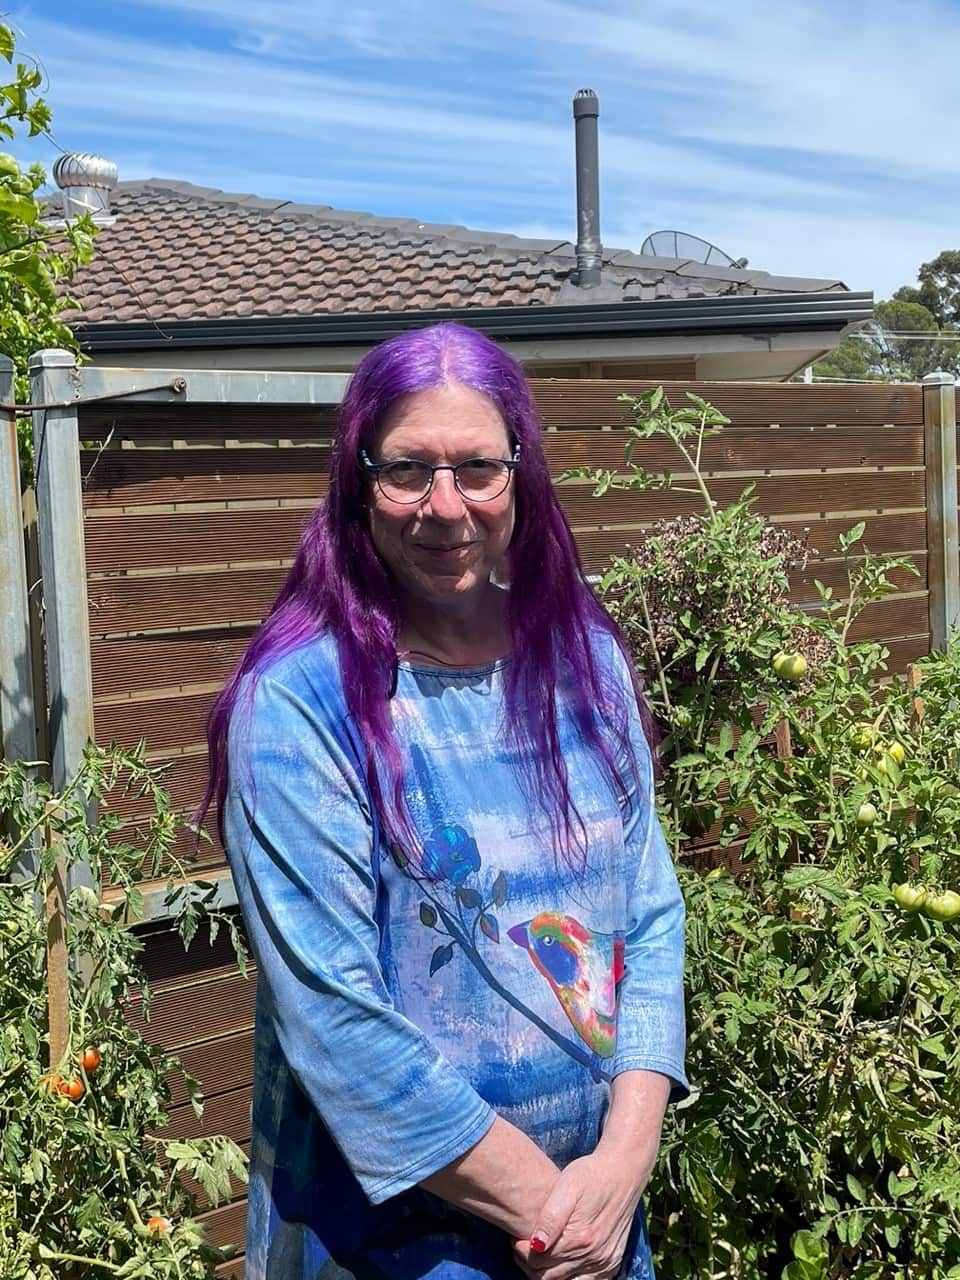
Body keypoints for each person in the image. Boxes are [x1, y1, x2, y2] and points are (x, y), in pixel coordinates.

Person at [202, 322, 687, 1280]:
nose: (445, 507)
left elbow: (652, 917)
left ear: (521, 474)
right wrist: (554, 1214)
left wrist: (625, 1167)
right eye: (407, 471)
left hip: (599, 1230)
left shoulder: (583, 659)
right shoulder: (302, 702)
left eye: (477, 469)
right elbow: (337, 1023)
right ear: (357, 480)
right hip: (394, 1248)